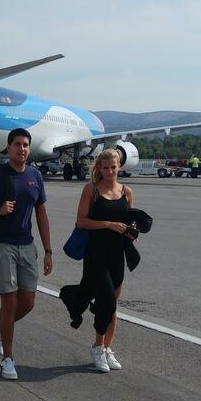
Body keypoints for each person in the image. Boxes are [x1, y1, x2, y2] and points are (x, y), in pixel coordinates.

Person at [0, 128, 52, 380]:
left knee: (27, 303)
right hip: (1, 245)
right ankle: (7, 358)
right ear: (9, 147)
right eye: (17, 144)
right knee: (10, 301)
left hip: (27, 245)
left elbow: (41, 214)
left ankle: (1, 325)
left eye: (26, 145)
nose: (22, 149)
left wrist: (48, 250)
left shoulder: (35, 176)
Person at [72, 148, 135, 372]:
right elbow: (81, 221)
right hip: (96, 254)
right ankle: (97, 347)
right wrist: (108, 224)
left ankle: (108, 349)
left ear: (119, 167)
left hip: (117, 255)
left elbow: (129, 222)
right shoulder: (91, 190)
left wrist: (132, 229)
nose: (110, 171)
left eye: (114, 167)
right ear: (99, 168)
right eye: (105, 167)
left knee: (113, 304)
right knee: (107, 300)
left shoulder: (126, 191)